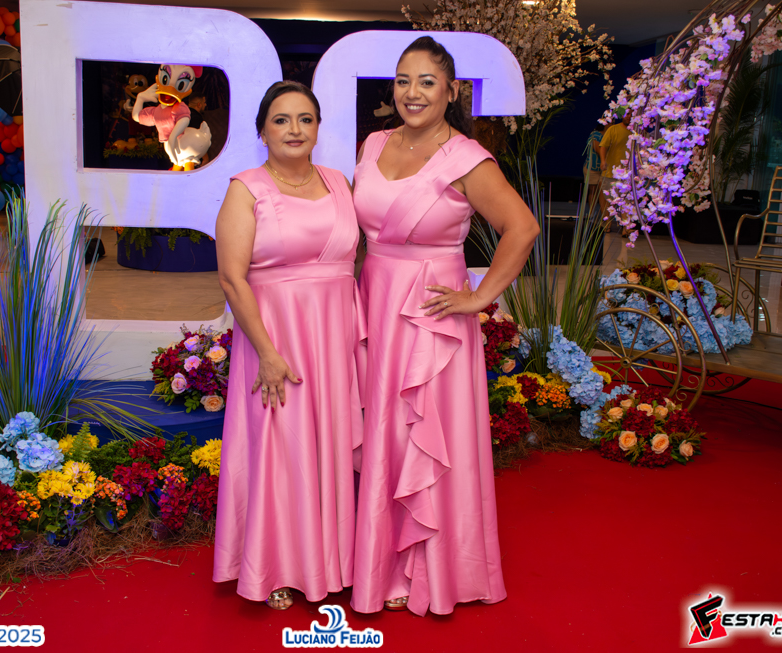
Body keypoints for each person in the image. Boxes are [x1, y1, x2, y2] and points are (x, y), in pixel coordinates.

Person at [350, 36, 540, 616]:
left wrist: (479, 298)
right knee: (383, 433)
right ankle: (379, 567)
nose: (412, 92)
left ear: (451, 91)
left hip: (432, 319)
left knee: (426, 439)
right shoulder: (373, 143)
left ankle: (433, 573)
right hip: (376, 302)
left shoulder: (467, 159)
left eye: (427, 82)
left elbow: (522, 228)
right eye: (403, 80)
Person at [212, 81, 364, 610]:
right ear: (262, 131)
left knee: (329, 443)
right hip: (274, 338)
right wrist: (268, 353)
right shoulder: (246, 188)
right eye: (281, 120)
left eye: (305, 119)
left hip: (333, 338)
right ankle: (274, 565)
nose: (294, 129)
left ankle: (334, 560)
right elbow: (232, 279)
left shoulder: (340, 181)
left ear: (318, 128)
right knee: (281, 447)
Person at [598, 110, 631, 232]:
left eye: (632, 114)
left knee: (626, 200)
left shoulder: (637, 131)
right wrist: (603, 161)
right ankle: (607, 223)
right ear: (622, 115)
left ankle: (626, 227)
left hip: (628, 173)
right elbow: (603, 146)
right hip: (611, 171)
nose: (629, 116)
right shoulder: (613, 129)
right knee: (608, 199)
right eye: (627, 114)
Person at [583, 124, 604, 204]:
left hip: (605, 168)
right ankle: (591, 211)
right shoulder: (595, 135)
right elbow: (598, 150)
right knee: (593, 190)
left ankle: (604, 211)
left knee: (604, 191)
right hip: (593, 167)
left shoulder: (611, 133)